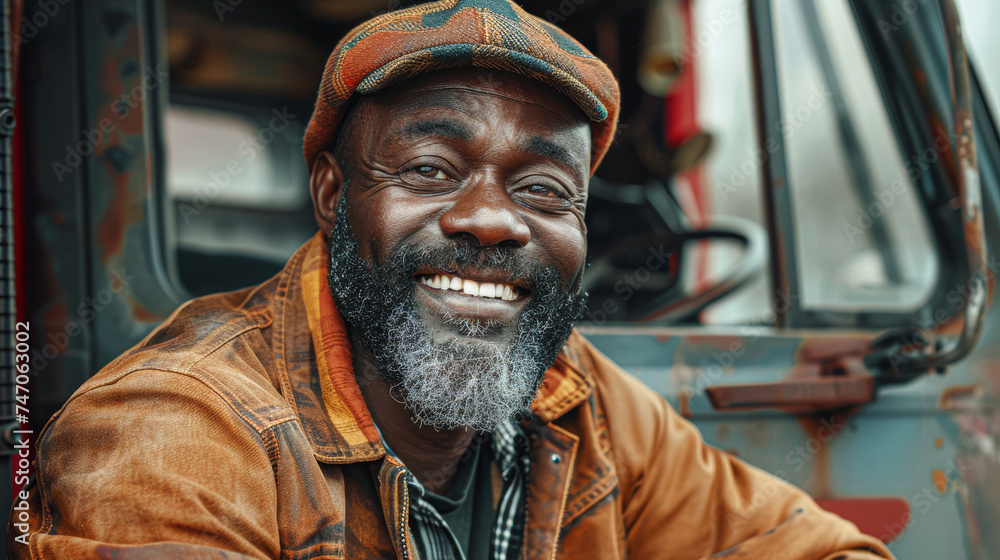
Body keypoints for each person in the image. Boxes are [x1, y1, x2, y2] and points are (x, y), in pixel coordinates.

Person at [9, 1, 894, 558]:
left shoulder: (575, 400)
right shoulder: (172, 440)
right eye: (431, 169)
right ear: (332, 194)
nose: (494, 219)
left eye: (545, 189)